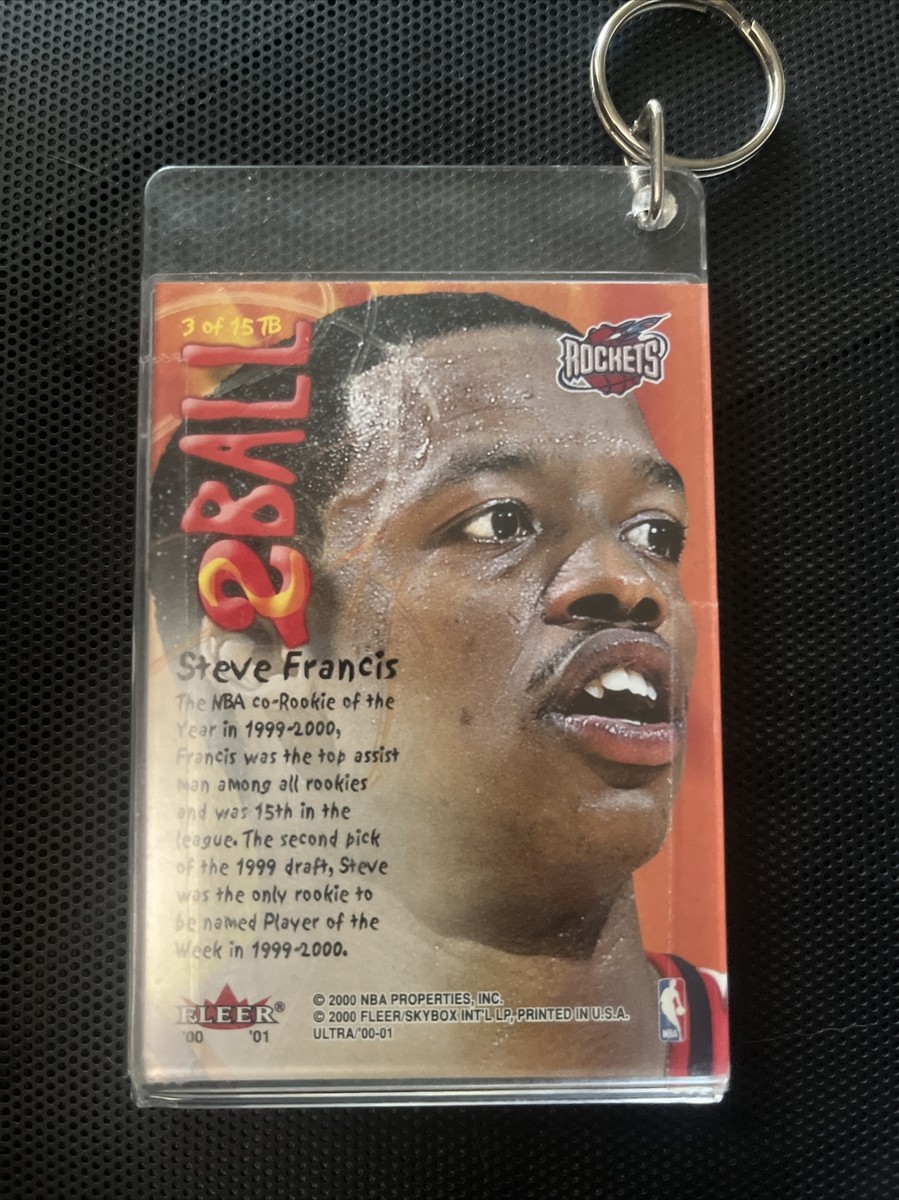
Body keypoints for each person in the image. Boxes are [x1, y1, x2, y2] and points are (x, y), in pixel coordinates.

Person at [152, 291, 725, 1078]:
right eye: (499, 523)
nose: (630, 582)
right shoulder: (146, 1079)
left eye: (654, 531)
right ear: (262, 669)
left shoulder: (807, 1053)